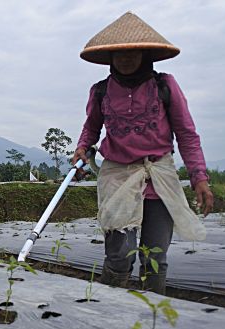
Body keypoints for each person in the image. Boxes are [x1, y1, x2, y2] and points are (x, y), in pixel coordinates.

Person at [72, 12, 214, 295]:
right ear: (110, 57)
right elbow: (91, 129)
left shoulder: (164, 86)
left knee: (154, 256)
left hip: (159, 178)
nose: (125, 59)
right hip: (118, 177)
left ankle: (153, 319)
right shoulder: (101, 92)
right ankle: (112, 313)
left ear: (144, 54)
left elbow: (186, 134)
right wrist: (81, 149)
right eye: (119, 54)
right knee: (119, 254)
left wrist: (199, 177)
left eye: (132, 53)